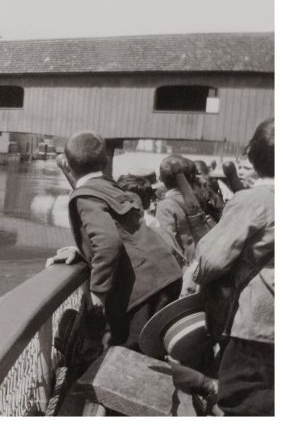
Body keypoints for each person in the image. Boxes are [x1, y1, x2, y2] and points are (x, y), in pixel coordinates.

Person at [47, 131, 183, 351]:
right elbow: (126, 231)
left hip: (143, 289)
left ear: (69, 166)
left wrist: (98, 293)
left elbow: (109, 243)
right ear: (104, 161)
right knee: (149, 352)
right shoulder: (110, 186)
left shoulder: (85, 196)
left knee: (130, 360)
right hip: (165, 275)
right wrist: (83, 250)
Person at [188, 118, 275, 416]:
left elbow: (211, 261)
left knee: (244, 403)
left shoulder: (253, 201)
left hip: (256, 325)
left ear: (254, 154)